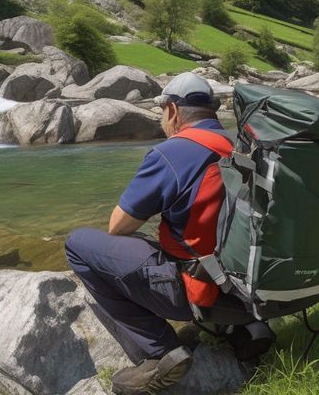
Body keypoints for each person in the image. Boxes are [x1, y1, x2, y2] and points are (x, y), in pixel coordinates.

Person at [65, 72, 233, 395]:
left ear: (172, 111)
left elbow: (118, 226)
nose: (161, 120)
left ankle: (158, 352)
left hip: (193, 290)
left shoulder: (171, 153)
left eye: (161, 112)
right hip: (235, 287)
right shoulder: (234, 146)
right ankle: (241, 331)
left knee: (78, 245)